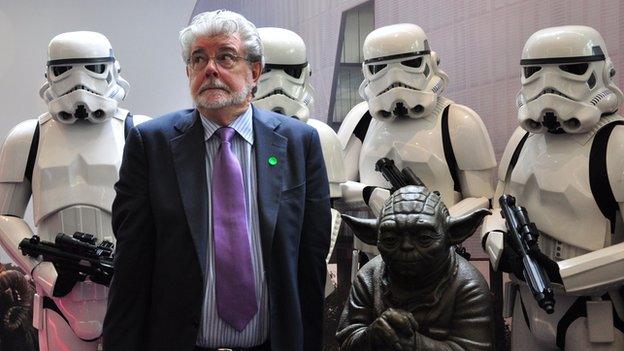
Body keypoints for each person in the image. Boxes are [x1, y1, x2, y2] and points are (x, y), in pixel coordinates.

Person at [102, 9, 331, 351]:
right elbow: (130, 269)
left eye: (225, 56)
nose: (210, 68)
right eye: (199, 59)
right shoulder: (151, 145)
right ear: (188, 72)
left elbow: (310, 267)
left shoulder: (300, 143)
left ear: (255, 71)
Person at [0, 31, 149, 351]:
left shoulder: (140, 132)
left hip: (127, 291)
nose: (78, 81)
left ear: (113, 71)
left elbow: (166, 215)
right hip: (57, 296)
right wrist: (42, 270)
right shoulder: (27, 138)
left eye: (93, 68)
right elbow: (5, 214)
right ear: (49, 75)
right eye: (64, 69)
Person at [481, 26, 624, 350]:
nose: (549, 87)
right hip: (526, 306)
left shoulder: (616, 145)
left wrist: (565, 273)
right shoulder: (522, 141)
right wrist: (501, 248)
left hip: (594, 311)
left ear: (602, 72)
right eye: (535, 73)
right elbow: (495, 207)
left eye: (571, 70)